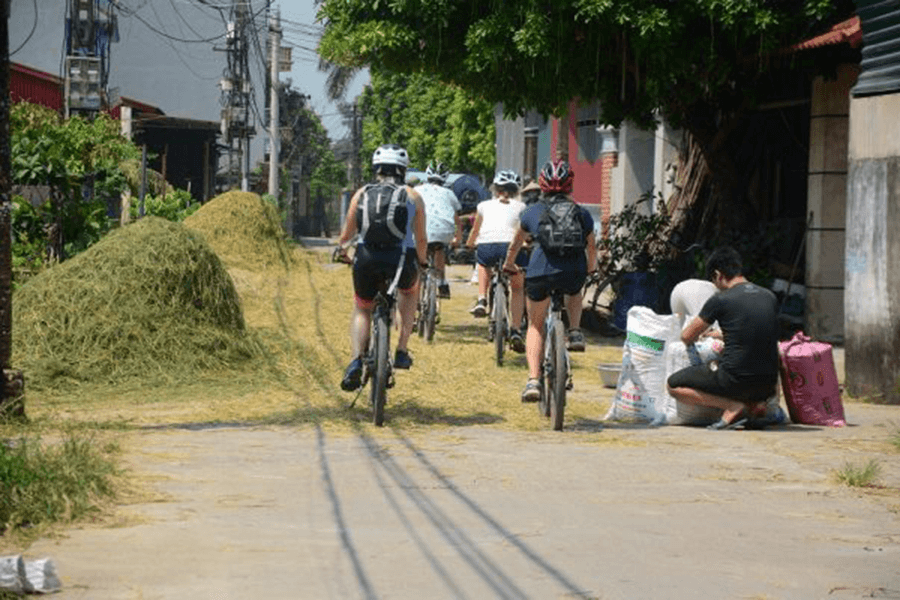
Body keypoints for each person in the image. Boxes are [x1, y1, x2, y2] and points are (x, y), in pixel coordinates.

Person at [503, 159, 597, 402]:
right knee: (574, 290)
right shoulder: (582, 213)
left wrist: (509, 264)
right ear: (570, 186)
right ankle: (575, 331)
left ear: (542, 185)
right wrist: (590, 269)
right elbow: (592, 246)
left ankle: (533, 380)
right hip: (573, 271)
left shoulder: (532, 211)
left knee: (535, 326)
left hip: (540, 271)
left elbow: (516, 243)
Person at [336, 144, 428, 392]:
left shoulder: (361, 193)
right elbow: (420, 239)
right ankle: (401, 350)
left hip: (367, 257)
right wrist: (422, 262)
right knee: (409, 292)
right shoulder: (413, 195)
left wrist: (342, 251)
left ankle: (356, 361)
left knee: (362, 308)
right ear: (403, 169)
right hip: (401, 259)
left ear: (376, 169)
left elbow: (346, 234)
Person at [666, 246, 779, 429]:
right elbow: (755, 333)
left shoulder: (721, 300)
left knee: (673, 385)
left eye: (714, 281)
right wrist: (720, 335)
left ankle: (732, 406)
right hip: (768, 386)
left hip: (735, 380)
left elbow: (687, 336)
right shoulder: (769, 296)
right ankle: (755, 405)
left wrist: (702, 336)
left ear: (718, 275)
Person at [465, 169, 528, 352]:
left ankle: (482, 299)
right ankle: (516, 329)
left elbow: (475, 231)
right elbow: (523, 231)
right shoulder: (521, 207)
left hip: (488, 246)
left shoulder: (483, 206)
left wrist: (469, 245)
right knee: (517, 287)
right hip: (511, 248)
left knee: (483, 264)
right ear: (515, 190)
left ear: (495, 189)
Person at [415, 160, 462, 298]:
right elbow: (457, 219)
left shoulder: (416, 190)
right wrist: (457, 239)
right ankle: (442, 283)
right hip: (444, 231)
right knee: (439, 249)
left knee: (417, 258)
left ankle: (414, 289)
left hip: (421, 230)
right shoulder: (449, 193)